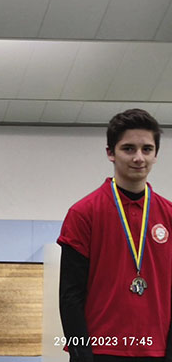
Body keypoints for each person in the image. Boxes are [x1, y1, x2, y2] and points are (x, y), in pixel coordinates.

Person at [58, 108, 172, 362]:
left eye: (147, 149)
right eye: (128, 149)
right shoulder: (83, 213)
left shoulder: (169, 215)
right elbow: (70, 296)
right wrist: (81, 354)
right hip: (101, 351)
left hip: (157, 352)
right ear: (110, 152)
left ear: (156, 155)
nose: (139, 158)